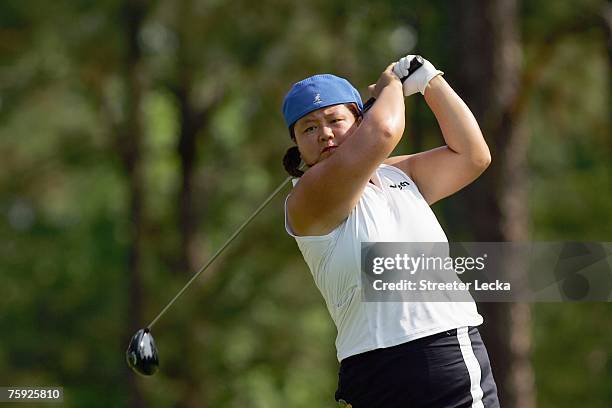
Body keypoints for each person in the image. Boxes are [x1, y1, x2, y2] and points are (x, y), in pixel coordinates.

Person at [281, 56, 500, 407]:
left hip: (442, 349)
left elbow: (473, 156)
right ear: (296, 145)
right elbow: (384, 130)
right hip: (374, 371)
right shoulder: (307, 197)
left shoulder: (398, 176)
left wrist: (431, 82)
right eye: (308, 128)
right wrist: (390, 85)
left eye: (336, 120)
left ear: (358, 120)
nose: (324, 132)